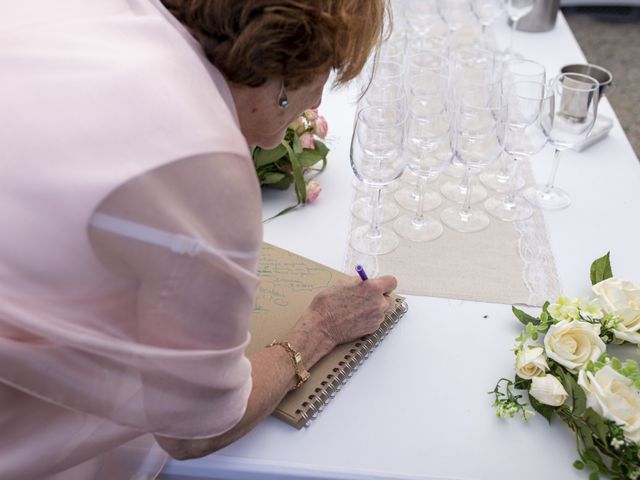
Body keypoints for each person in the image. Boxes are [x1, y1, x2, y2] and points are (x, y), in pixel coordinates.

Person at [0, 0, 397, 478]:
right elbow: (195, 431)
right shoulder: (202, 165)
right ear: (286, 68)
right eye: (328, 73)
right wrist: (319, 331)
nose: (318, 104)